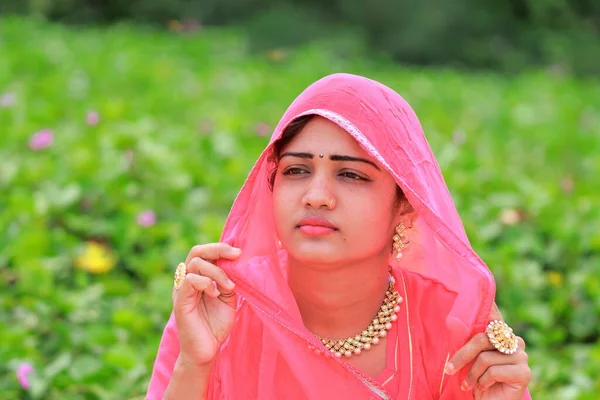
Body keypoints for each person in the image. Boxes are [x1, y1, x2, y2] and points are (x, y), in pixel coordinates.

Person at [146, 73, 532, 399]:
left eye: (351, 175)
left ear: (406, 203)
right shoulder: (218, 310)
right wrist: (194, 365)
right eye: (296, 170)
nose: (316, 196)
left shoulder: (450, 329)